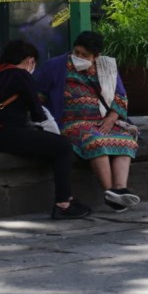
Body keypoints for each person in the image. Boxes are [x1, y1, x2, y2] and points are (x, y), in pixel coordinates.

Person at [37, 30, 140, 213]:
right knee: (95, 141)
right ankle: (110, 193)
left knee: (126, 140)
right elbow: (40, 96)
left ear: (96, 56)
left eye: (85, 55)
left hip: (101, 120)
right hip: (71, 122)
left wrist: (111, 118)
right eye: (77, 52)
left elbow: (120, 96)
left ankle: (119, 189)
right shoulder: (55, 66)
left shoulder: (107, 68)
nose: (79, 57)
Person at [1, 40, 91, 219]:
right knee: (63, 147)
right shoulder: (20, 75)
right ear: (29, 60)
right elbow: (37, 113)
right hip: (9, 134)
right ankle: (64, 203)